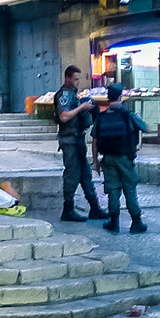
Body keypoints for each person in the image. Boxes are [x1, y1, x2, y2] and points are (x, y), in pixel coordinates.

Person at [91, 84, 148, 234]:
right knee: (129, 189)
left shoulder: (101, 117)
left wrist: (95, 162)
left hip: (108, 158)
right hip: (125, 157)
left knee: (112, 189)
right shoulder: (128, 115)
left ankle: (113, 221)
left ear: (108, 97)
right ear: (121, 96)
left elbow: (95, 141)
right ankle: (136, 222)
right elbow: (146, 128)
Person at [55, 65, 107, 223]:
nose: (78, 82)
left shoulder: (72, 94)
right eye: (76, 79)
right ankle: (68, 209)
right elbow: (64, 116)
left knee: (85, 174)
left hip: (77, 138)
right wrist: (82, 107)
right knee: (72, 174)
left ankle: (95, 208)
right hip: (69, 140)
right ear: (68, 78)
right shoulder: (64, 94)